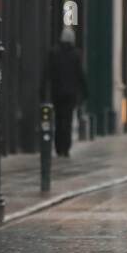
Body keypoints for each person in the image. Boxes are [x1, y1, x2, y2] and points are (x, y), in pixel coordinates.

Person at [43, 28, 87, 157]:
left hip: (57, 92)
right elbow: (81, 75)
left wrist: (43, 90)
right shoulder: (76, 54)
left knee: (58, 119)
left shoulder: (54, 53)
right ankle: (65, 148)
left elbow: (47, 73)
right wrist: (85, 92)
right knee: (67, 120)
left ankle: (58, 146)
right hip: (70, 93)